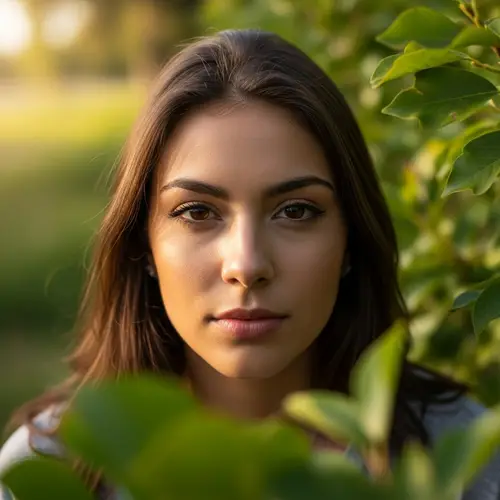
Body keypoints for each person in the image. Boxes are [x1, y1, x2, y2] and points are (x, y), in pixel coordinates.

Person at [0, 29, 498, 500]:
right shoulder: (48, 469)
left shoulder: (464, 458)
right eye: (197, 212)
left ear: (351, 239)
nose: (247, 264)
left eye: (296, 211)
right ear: (142, 245)